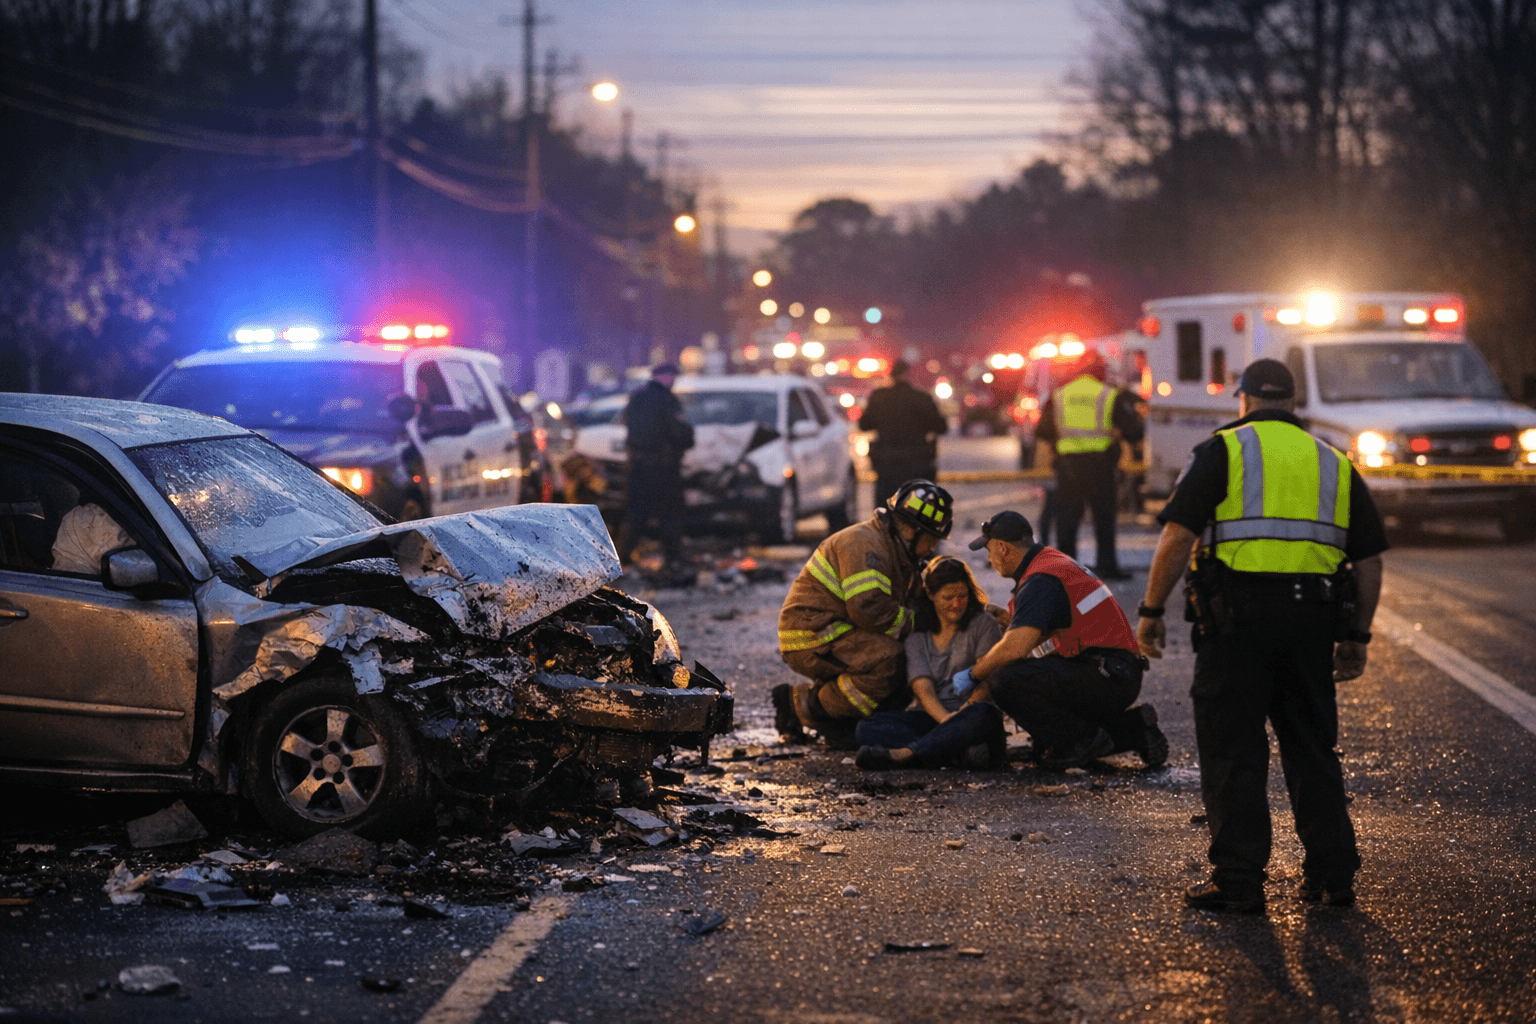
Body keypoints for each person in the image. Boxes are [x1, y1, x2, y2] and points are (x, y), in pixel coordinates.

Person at [1136, 358, 1387, 914]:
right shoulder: (1333, 461)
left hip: (1235, 626)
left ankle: (1240, 880)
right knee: (1311, 748)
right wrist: (1357, 636)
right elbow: (1369, 561)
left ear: (1244, 400)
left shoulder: (1223, 451)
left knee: (1233, 749)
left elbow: (1177, 536)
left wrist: (1151, 609)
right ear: (1293, 402)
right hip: (1311, 623)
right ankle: (1332, 876)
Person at [953, 510, 1168, 769]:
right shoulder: (1049, 563)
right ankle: (1134, 730)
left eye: (989, 551)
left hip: (1107, 674)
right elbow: (1058, 629)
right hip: (1115, 671)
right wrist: (1010, 621)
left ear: (1002, 548)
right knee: (1044, 722)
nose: (989, 558)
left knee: (1006, 680)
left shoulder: (1039, 580)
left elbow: (1014, 649)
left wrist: (972, 675)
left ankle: (1078, 742)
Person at [773, 479, 954, 749]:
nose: (931, 549)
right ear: (910, 530)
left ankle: (857, 717)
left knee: (910, 654)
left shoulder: (896, 550)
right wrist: (918, 621)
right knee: (890, 659)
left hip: (835, 629)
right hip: (811, 635)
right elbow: (869, 610)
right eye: (929, 540)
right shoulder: (865, 545)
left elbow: (914, 599)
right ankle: (809, 709)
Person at [853, 555, 1007, 771]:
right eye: (948, 597)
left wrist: (960, 718)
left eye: (962, 596)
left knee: (984, 714)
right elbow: (924, 691)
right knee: (866, 728)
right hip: (933, 716)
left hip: (970, 715)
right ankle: (951, 752)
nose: (956, 604)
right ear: (930, 594)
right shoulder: (918, 633)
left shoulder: (984, 624)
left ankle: (907, 754)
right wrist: (947, 724)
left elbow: (987, 682)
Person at [1034, 350, 1144, 580]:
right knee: (1104, 519)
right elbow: (1133, 432)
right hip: (1101, 465)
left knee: (1067, 521)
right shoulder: (1109, 394)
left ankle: (1067, 570)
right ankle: (1107, 566)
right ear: (1101, 371)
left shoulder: (1059, 395)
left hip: (1068, 466)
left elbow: (1042, 431)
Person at [618, 363, 694, 568]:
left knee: (636, 513)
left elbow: (629, 426)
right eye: (673, 377)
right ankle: (673, 557)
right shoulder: (667, 400)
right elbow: (680, 431)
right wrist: (687, 438)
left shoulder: (637, 398)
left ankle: (623, 556)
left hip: (637, 465)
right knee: (670, 513)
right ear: (667, 376)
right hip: (663, 467)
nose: (674, 381)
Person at [861, 360, 948, 509]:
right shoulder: (922, 398)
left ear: (892, 376)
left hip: (887, 462)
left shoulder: (879, 397)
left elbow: (864, 425)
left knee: (886, 508)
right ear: (911, 376)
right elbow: (941, 427)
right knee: (920, 508)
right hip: (918, 462)